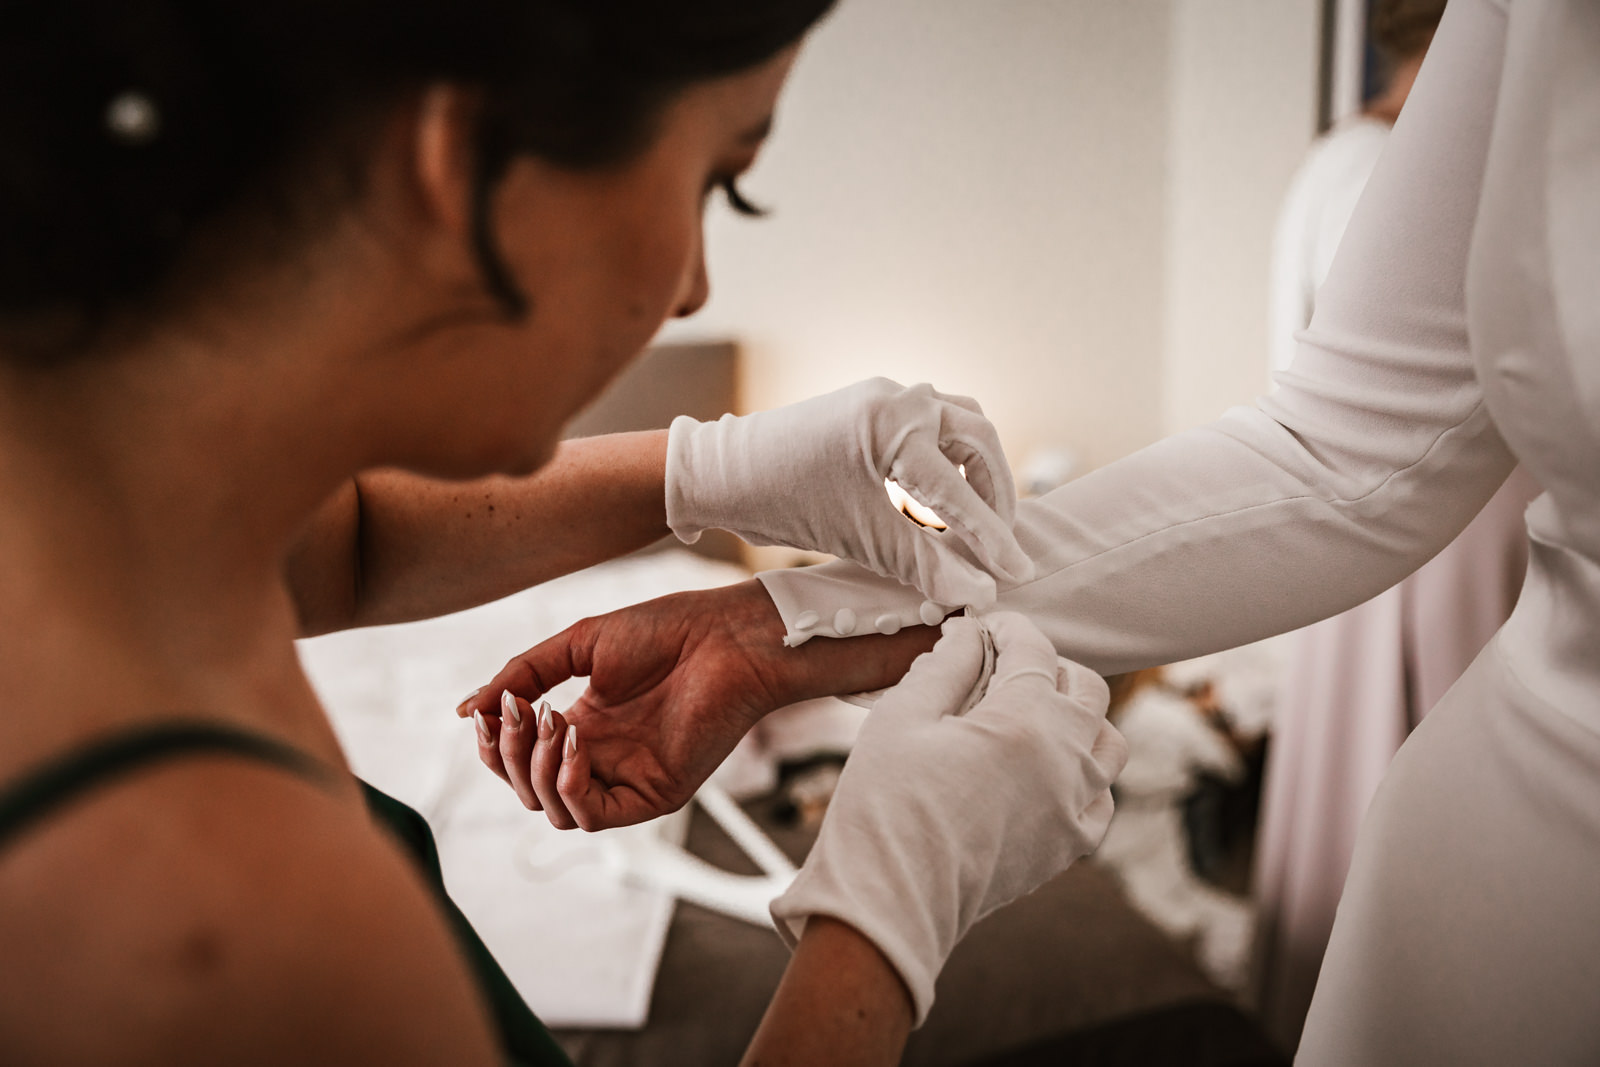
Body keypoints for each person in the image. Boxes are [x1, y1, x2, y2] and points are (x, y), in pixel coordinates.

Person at [0, 3, 1126, 1064]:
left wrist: (712, 470)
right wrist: (889, 901)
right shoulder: (233, 924)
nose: (692, 288)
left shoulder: (97, 482)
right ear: (471, 160)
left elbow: (340, 547)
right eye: (716, 186)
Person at [480, 0, 1600, 1060]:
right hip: (1507, 858)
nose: (693, 289)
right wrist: (775, 621)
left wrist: (768, 606)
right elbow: (1342, 455)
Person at [1253, 0, 1540, 1047]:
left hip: (1366, 523)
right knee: (1420, 787)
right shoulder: (1397, 168)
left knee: (1358, 769)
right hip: (1432, 531)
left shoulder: (1331, 160)